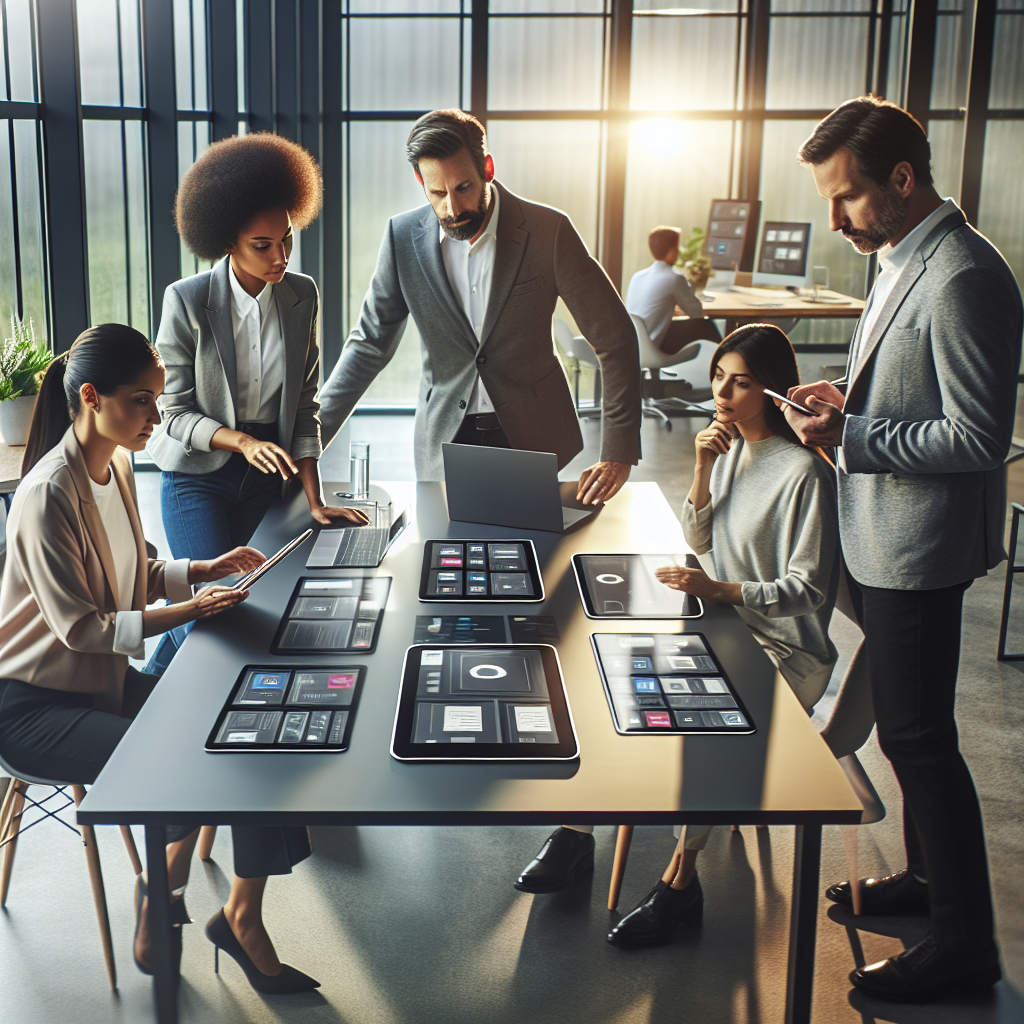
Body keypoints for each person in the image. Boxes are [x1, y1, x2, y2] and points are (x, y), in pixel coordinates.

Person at [784, 96, 1023, 1002]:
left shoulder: (963, 274)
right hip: (884, 535)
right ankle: (925, 887)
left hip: (920, 545)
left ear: (902, 178)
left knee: (922, 742)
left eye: (846, 198)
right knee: (904, 733)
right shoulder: (897, 256)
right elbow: (898, 375)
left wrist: (852, 437)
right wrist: (844, 393)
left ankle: (966, 950)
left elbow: (974, 437)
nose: (834, 219)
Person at [0, 326, 319, 994]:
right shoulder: (45, 495)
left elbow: (135, 573)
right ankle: (162, 893)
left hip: (103, 686)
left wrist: (204, 568)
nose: (156, 417)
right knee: (188, 775)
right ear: (92, 397)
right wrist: (192, 610)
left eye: (158, 400)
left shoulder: (114, 464)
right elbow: (82, 629)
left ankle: (239, 916)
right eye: (142, 402)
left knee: (254, 737)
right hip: (32, 705)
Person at [601, 323, 842, 947]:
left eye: (742, 382)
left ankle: (679, 884)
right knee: (627, 673)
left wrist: (721, 592)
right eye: (718, 378)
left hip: (788, 650)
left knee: (706, 721)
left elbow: (809, 591)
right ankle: (578, 832)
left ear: (775, 391)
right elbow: (701, 542)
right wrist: (704, 465)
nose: (723, 393)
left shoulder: (805, 476)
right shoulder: (728, 450)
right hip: (734, 631)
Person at [317, 108, 642, 507]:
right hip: (444, 439)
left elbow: (616, 337)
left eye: (464, 188)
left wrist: (619, 452)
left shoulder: (548, 231)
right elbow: (368, 345)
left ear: (487, 168)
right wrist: (307, 442)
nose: (453, 209)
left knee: (529, 554)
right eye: (437, 193)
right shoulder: (401, 238)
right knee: (447, 555)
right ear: (420, 181)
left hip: (532, 434)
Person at [145, 132, 368, 674]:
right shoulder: (188, 299)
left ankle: (145, 695)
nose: (280, 257)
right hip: (198, 476)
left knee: (247, 603)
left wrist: (314, 499)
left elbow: (304, 405)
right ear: (227, 241)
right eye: (262, 245)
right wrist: (241, 440)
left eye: (286, 240)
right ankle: (146, 699)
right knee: (214, 615)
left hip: (266, 481)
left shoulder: (301, 294)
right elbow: (171, 412)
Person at [625, 225, 721, 356]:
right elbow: (697, 313)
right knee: (706, 326)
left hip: (633, 345)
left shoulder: (637, 276)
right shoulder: (674, 278)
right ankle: (724, 361)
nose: (679, 252)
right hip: (653, 347)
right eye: (677, 248)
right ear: (672, 251)